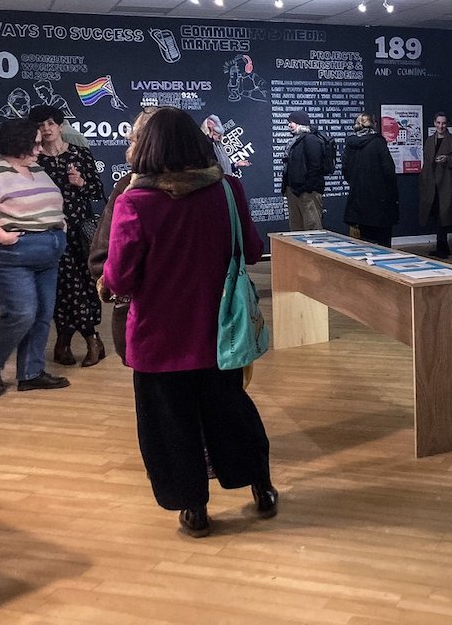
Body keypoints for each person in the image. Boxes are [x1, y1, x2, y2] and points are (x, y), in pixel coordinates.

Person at [102, 107, 277, 537]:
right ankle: (261, 487)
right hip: (220, 331)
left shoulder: (135, 201)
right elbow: (252, 250)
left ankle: (195, 509)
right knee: (232, 413)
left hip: (158, 338)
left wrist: (106, 283)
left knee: (170, 426)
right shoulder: (227, 191)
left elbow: (121, 276)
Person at [0, 119, 69, 396]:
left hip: (48, 253)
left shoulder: (36, 168)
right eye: (35, 143)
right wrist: (3, 237)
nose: (40, 147)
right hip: (10, 255)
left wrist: (60, 222)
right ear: (18, 143)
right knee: (21, 313)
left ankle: (31, 373)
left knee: (43, 314)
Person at [28, 105, 106, 368]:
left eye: (50, 123)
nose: (46, 129)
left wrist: (81, 183)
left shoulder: (80, 154)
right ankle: (72, 339)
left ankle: (86, 339)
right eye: (41, 125)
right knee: (61, 288)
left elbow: (98, 191)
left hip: (79, 234)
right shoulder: (34, 160)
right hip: (48, 233)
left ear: (61, 126)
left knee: (83, 284)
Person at [89, 108, 159, 361]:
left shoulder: (131, 190)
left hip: (144, 318)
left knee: (153, 395)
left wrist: (114, 288)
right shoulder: (222, 189)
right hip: (208, 319)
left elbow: (104, 259)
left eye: (135, 136)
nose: (130, 139)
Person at [342, 112, 398, 247]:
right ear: (374, 125)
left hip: (358, 201)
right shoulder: (378, 143)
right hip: (380, 202)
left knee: (363, 244)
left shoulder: (350, 144)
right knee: (383, 244)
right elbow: (389, 171)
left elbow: (345, 170)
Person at [418, 112, 452, 258]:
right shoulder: (429, 140)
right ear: (434, 123)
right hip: (432, 184)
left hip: (447, 184)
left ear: (447, 124)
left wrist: (448, 159)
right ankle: (442, 246)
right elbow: (426, 162)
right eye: (438, 123)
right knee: (438, 215)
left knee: (444, 215)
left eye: (443, 123)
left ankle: (442, 248)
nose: (441, 126)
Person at [282, 110, 325, 231]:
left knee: (312, 228)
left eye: (292, 122)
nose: (289, 125)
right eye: (289, 122)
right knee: (296, 229)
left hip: (308, 193)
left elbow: (315, 167)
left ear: (300, 123)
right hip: (294, 190)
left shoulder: (311, 140)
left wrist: (306, 187)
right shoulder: (295, 141)